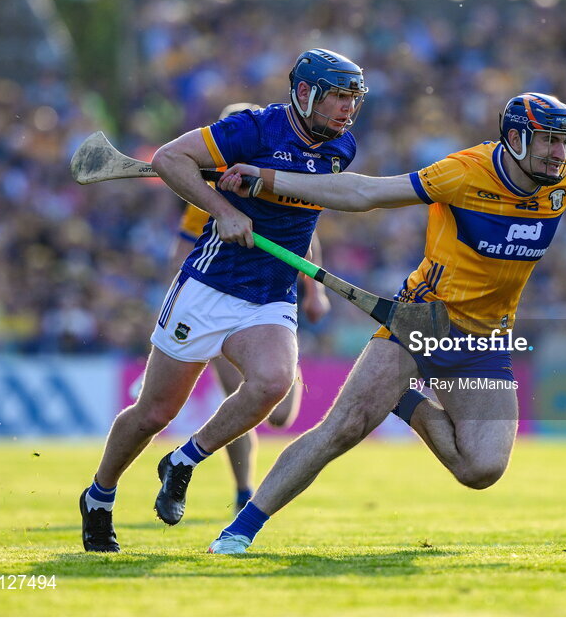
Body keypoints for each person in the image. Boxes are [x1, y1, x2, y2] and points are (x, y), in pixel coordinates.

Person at [206, 92, 566, 553]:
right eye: (548, 141)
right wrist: (267, 180)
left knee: (481, 469)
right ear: (517, 138)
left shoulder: (561, 180)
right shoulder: (463, 172)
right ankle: (240, 531)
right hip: (423, 319)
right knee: (343, 428)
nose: (560, 153)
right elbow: (366, 193)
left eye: (565, 142)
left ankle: (401, 400)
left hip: (487, 339)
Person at [79, 48, 366, 552]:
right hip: (210, 285)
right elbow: (169, 158)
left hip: (270, 295)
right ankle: (99, 496)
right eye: (338, 97)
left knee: (274, 383)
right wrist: (223, 208)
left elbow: (305, 213)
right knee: (153, 413)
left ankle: (185, 460)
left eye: (352, 98)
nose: (347, 109)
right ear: (304, 93)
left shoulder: (341, 149)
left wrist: (307, 277)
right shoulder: (252, 130)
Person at [143, 102, 332, 511]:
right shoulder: (205, 198)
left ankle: (280, 365)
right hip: (221, 299)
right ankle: (243, 490)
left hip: (269, 302)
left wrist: (315, 292)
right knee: (237, 396)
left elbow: (307, 239)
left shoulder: (282, 179)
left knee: (280, 415)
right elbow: (181, 251)